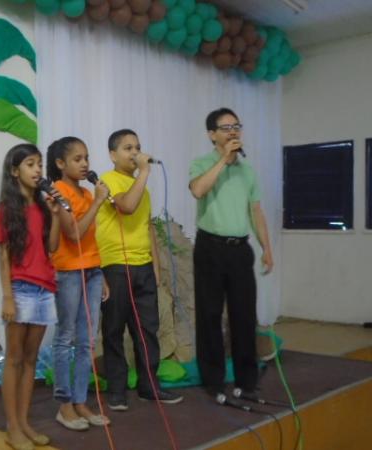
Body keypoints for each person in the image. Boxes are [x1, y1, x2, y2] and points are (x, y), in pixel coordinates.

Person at [188, 108, 274, 400]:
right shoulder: (202, 163)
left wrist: (266, 248)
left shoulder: (248, 170)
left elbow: (256, 210)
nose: (233, 132)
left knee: (244, 315)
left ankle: (246, 379)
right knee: (210, 315)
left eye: (236, 126)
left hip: (240, 250)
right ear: (212, 135)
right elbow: (198, 190)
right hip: (210, 247)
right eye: (225, 128)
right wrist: (224, 161)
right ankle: (213, 380)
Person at [96, 129, 183, 411]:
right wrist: (144, 172)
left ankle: (149, 386)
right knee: (113, 330)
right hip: (115, 266)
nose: (135, 153)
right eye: (127, 148)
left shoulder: (141, 187)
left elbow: (147, 228)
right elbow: (127, 207)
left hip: (143, 266)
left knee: (147, 330)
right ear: (112, 154)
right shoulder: (107, 180)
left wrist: (155, 267)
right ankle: (117, 391)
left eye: (138, 147)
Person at [0, 143, 61, 450]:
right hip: (20, 289)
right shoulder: (7, 210)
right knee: (15, 358)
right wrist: (7, 297)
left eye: (39, 165)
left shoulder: (44, 207)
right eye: (31, 164)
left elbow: (53, 247)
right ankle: (12, 427)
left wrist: (57, 214)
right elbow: (4, 256)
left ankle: (24, 423)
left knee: (31, 359)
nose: (37, 170)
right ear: (14, 171)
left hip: (45, 288)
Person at [46, 137, 111, 431]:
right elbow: (73, 235)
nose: (85, 164)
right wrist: (98, 201)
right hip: (68, 273)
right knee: (65, 338)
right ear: (61, 164)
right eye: (77, 159)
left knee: (87, 341)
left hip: (92, 272)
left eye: (86, 157)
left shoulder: (85, 193)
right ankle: (64, 406)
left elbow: (91, 240)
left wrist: (101, 274)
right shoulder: (59, 192)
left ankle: (81, 400)